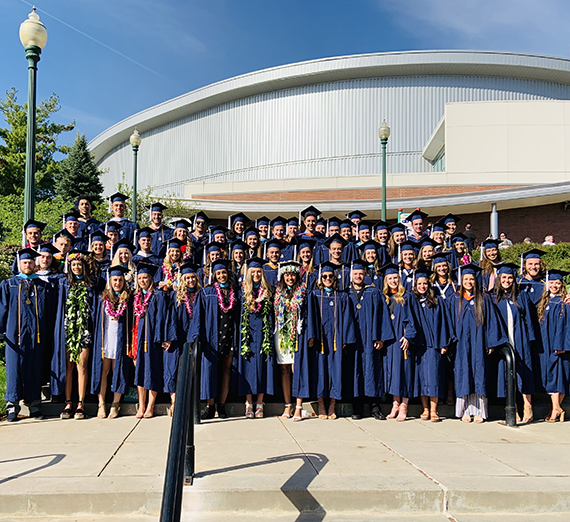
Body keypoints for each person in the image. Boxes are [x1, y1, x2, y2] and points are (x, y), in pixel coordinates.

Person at [448, 264, 506, 423]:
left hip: (480, 343)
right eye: (466, 279)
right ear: (461, 280)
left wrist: (491, 342)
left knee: (479, 373)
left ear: (475, 280)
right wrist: (451, 340)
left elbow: (492, 322)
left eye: (471, 279)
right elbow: (449, 322)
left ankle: (479, 411)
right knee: (463, 373)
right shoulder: (455, 299)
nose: (468, 281)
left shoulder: (484, 299)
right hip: (461, 344)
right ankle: (465, 410)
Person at [0, 248, 53, 421]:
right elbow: (2, 309)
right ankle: (12, 407)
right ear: (19, 263)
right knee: (14, 370)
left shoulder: (43, 286)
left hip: (37, 335)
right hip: (14, 335)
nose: (28, 264)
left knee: (34, 369)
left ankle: (35, 405)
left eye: (30, 262)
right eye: (25, 262)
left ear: (34, 264)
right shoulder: (9, 284)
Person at [192, 259, 239, 420]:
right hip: (212, 338)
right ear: (214, 275)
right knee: (210, 372)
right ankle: (210, 406)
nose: (222, 276)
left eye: (224, 272)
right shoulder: (206, 292)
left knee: (226, 371)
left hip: (230, 336)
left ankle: (222, 405)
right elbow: (198, 316)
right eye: (218, 273)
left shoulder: (235, 292)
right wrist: (196, 336)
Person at [52, 250, 96, 420]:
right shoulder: (63, 283)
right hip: (68, 329)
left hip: (84, 329)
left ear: (84, 266)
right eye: (73, 264)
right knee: (69, 366)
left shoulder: (91, 283)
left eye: (79, 264)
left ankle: (81, 403)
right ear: (69, 266)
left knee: (82, 365)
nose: (76, 267)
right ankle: (68, 402)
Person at [309, 262, 356, 420]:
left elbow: (348, 319)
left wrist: (346, 339)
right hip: (320, 341)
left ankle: (333, 404)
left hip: (336, 339)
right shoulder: (314, 295)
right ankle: (321, 403)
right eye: (325, 277)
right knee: (320, 371)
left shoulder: (342, 296)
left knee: (336, 371)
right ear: (320, 279)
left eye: (330, 276)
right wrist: (312, 336)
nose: (328, 278)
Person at [349, 259, 394, 420]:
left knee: (372, 371)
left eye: (361, 273)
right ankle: (357, 408)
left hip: (370, 340)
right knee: (355, 373)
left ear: (366, 275)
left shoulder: (374, 293)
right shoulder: (345, 294)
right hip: (353, 341)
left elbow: (382, 316)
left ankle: (375, 407)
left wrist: (381, 338)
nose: (358, 276)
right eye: (356, 274)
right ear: (351, 275)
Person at [492, 263, 536, 424]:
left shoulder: (521, 296)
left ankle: (528, 405)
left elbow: (529, 320)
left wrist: (530, 339)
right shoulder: (493, 297)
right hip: (503, 342)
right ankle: (513, 407)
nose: (507, 280)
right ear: (499, 279)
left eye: (510, 277)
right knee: (507, 375)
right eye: (504, 277)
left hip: (520, 339)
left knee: (525, 372)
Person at [131, 262, 174, 418]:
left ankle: (150, 405)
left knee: (152, 371)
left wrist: (162, 338)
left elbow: (162, 318)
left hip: (152, 339)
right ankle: (141, 405)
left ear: (150, 279)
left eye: (145, 277)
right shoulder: (136, 297)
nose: (142, 280)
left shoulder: (158, 295)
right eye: (140, 278)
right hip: (138, 338)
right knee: (140, 372)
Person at [91, 265, 133, 419]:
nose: (117, 283)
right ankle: (101, 403)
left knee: (119, 371)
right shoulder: (102, 299)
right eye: (115, 279)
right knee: (103, 371)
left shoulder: (127, 299)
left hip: (120, 341)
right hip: (105, 340)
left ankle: (115, 404)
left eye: (120, 280)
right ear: (110, 280)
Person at [274, 261, 313, 421]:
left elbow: (309, 314)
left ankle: (299, 405)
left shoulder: (304, 292)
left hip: (297, 334)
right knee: (284, 370)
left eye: (292, 275)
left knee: (296, 369)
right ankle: (287, 404)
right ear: (283, 276)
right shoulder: (278, 292)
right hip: (282, 335)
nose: (290, 278)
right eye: (287, 275)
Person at [411, 268, 451, 422]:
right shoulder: (412, 301)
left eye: (425, 283)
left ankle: (434, 410)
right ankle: (425, 409)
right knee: (421, 378)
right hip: (418, 346)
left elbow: (443, 324)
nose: (422, 286)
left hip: (433, 345)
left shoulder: (437, 301)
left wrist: (443, 344)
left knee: (434, 378)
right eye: (419, 283)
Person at [238, 257, 274, 419]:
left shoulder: (268, 291)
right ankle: (248, 403)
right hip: (248, 334)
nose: (257, 274)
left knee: (263, 365)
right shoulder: (243, 291)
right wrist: (258, 300)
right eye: (253, 272)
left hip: (263, 333)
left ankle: (260, 403)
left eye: (259, 271)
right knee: (248, 365)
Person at [382, 263, 417, 422]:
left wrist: (408, 336)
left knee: (405, 371)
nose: (393, 281)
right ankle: (395, 403)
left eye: (395, 278)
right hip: (390, 341)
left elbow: (412, 319)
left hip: (402, 340)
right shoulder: (385, 298)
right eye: (390, 278)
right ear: (386, 280)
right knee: (394, 372)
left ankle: (404, 405)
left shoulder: (407, 297)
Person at [536, 269, 570, 422]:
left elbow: (566, 326)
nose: (554, 285)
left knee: (557, 376)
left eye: (557, 282)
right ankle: (555, 408)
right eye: (551, 282)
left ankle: (556, 409)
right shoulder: (545, 301)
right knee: (554, 376)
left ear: (562, 284)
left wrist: (561, 344)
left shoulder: (565, 302)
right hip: (545, 344)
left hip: (558, 345)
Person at [169, 262, 201, 415]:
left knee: (194, 370)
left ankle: (191, 402)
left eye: (192, 277)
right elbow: (171, 318)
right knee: (175, 368)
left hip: (196, 337)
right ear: (182, 279)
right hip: (180, 337)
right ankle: (175, 402)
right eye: (187, 278)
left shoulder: (201, 295)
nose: (190, 281)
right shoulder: (176, 296)